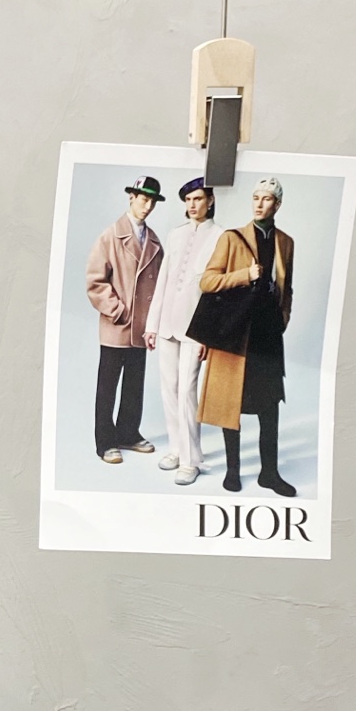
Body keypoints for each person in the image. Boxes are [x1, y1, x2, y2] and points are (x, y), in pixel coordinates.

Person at [196, 178, 296, 495]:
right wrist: (244, 275)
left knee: (269, 406)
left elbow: (287, 289)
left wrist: (282, 318)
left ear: (277, 204)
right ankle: (233, 471)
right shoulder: (232, 238)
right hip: (236, 334)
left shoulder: (286, 242)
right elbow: (207, 282)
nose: (259, 204)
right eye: (255, 198)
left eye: (266, 199)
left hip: (267, 336)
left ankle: (270, 473)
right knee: (232, 403)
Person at [143, 178, 218, 484]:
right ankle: (176, 448)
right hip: (167, 324)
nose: (192, 205)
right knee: (169, 388)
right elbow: (163, 280)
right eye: (188, 200)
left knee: (187, 390)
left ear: (210, 201)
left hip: (196, 328)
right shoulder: (175, 235)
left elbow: (217, 293)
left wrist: (209, 335)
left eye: (198, 199)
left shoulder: (221, 236)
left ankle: (190, 461)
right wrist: (152, 325)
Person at [85, 175, 165, 463]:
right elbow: (95, 282)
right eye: (144, 199)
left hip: (141, 328)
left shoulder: (154, 241)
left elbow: (161, 285)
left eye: (152, 201)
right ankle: (105, 442)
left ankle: (128, 433)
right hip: (117, 326)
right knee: (107, 387)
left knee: (134, 384)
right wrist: (118, 311)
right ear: (131, 197)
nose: (148, 205)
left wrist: (153, 322)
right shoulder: (110, 236)